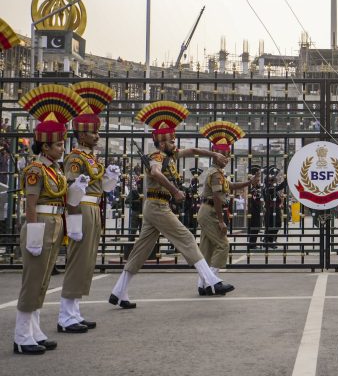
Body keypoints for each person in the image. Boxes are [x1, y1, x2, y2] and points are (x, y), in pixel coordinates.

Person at [109, 101, 235, 308]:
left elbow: (193, 150)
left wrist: (213, 154)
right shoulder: (156, 156)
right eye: (171, 140)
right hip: (157, 206)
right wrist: (175, 190)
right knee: (186, 238)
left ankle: (118, 291)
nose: (174, 142)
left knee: (141, 250)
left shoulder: (171, 155)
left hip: (156, 207)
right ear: (161, 143)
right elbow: (155, 172)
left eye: (174, 139)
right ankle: (211, 281)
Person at [13, 85, 90, 355]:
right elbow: (31, 204)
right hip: (41, 224)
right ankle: (21, 335)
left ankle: (34, 331)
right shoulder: (36, 169)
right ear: (45, 146)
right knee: (32, 281)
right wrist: (34, 235)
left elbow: (64, 198)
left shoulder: (55, 170)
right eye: (58, 144)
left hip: (54, 224)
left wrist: (78, 188)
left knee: (43, 281)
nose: (61, 148)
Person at [58, 82, 119, 334]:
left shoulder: (91, 158)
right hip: (81, 210)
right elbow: (71, 192)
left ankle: (74, 311)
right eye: (93, 132)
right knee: (77, 261)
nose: (97, 136)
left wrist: (110, 178)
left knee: (87, 262)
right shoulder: (75, 158)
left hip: (93, 209)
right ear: (82, 135)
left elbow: (100, 188)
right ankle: (65, 315)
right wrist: (72, 223)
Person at [196, 121, 258, 294]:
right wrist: (221, 221)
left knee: (207, 249)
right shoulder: (215, 173)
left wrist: (249, 183)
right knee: (223, 245)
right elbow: (217, 197)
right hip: (210, 212)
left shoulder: (218, 172)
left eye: (227, 155)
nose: (226, 158)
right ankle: (214, 282)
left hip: (207, 211)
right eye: (224, 155)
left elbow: (230, 186)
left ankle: (202, 285)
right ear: (216, 156)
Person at [262, 166, 286, 249]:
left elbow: (279, 187)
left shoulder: (271, 187)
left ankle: (269, 240)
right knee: (272, 225)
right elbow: (280, 186)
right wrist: (287, 180)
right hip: (271, 209)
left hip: (275, 208)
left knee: (276, 224)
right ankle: (269, 241)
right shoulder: (268, 188)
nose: (276, 181)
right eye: (274, 180)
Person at [247, 165, 264, 249]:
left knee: (256, 226)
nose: (259, 179)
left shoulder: (257, 186)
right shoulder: (250, 186)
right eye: (258, 175)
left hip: (257, 208)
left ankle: (253, 243)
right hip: (253, 209)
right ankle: (252, 243)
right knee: (254, 226)